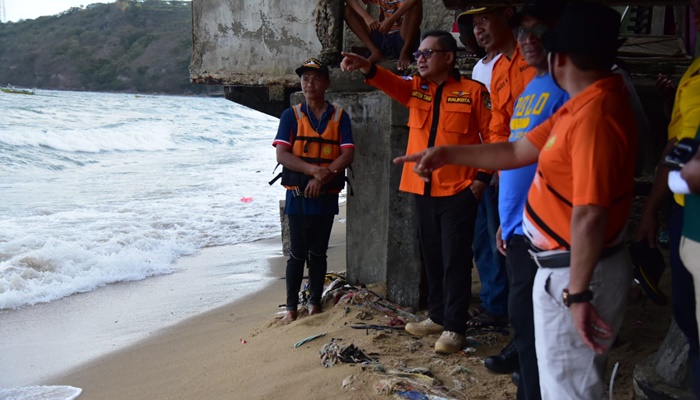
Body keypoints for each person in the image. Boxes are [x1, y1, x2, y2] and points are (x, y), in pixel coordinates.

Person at [394, 3, 636, 398]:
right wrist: (447, 153)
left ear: (561, 57)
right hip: (556, 263)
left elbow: (590, 212)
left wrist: (577, 293)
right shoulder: (582, 105)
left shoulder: (596, 112)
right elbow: (516, 151)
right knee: (554, 374)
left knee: (569, 387)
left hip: (573, 269)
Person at [340, 30, 493, 354]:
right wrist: (367, 67)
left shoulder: (473, 93)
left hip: (459, 191)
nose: (420, 58)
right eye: (419, 53)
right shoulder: (415, 89)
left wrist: (480, 180)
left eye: (428, 53)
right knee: (432, 258)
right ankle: (437, 316)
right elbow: (390, 82)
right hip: (422, 189)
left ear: (448, 58)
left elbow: (493, 137)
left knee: (455, 261)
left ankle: (454, 328)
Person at [491, 3, 568, 398]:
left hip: (548, 229)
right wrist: (507, 218)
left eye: (537, 31)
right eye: (520, 34)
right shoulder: (529, 90)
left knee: (539, 324)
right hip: (518, 227)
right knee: (523, 321)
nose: (527, 40)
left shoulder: (569, 87)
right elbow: (518, 157)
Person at [636, 11, 700, 395]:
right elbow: (674, 148)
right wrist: (650, 212)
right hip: (685, 211)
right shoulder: (693, 71)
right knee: (688, 314)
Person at [272, 58, 355, 323]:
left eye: (315, 78)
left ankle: (314, 303)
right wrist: (313, 171)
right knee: (297, 253)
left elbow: (348, 154)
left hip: (326, 196)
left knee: (319, 252)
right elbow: (282, 155)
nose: (309, 84)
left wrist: (323, 176)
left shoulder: (339, 117)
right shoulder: (291, 116)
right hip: (297, 196)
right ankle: (291, 307)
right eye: (305, 79)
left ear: (327, 83)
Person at [455, 6, 511, 334]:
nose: (478, 31)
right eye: (474, 26)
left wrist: (496, 169)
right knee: (481, 240)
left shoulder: (510, 65)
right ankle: (492, 300)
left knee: (496, 238)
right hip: (480, 166)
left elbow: (502, 125)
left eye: (484, 22)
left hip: (499, 168)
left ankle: (498, 306)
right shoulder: (480, 67)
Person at [344, 0, 422, 71]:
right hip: (383, 34)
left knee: (415, 4)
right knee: (348, 11)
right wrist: (366, 17)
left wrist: (391, 20)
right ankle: (375, 52)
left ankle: (405, 52)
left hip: (403, 38)